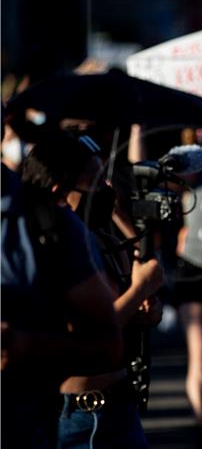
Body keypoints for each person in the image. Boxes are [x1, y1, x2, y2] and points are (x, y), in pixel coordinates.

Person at [2, 133, 124, 449]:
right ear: (60, 191)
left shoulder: (60, 231)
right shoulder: (53, 230)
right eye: (96, 183)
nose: (106, 192)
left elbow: (107, 340)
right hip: (75, 414)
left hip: (72, 416)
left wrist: (27, 345)